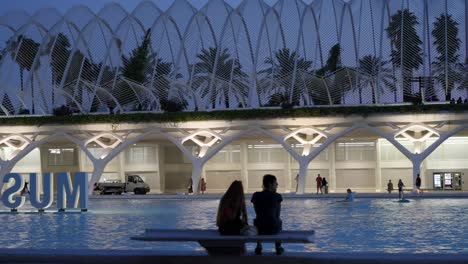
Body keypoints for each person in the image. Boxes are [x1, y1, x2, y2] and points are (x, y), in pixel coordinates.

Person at [251, 174, 284, 255]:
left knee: (258, 219)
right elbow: (277, 215)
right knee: (278, 220)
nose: (277, 185)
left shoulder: (256, 195)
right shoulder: (277, 196)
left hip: (259, 229)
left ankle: (259, 246)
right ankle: (278, 247)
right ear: (270, 184)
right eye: (275, 183)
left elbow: (257, 212)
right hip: (273, 228)